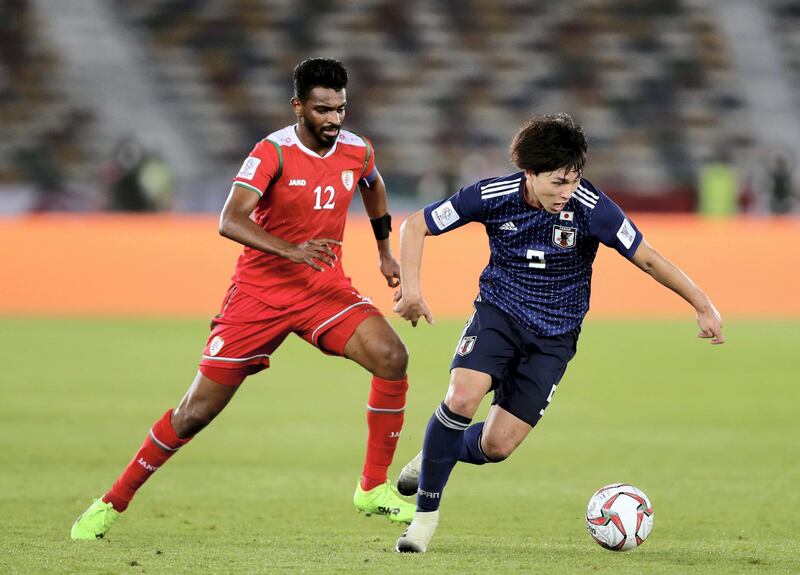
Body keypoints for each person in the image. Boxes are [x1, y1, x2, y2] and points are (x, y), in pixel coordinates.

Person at [71, 58, 415, 540]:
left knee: (392, 356)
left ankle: (373, 488)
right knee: (195, 413)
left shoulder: (357, 150)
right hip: (259, 296)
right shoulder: (271, 152)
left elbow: (373, 185)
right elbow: (229, 219)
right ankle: (112, 501)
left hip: (323, 288)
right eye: (322, 110)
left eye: (340, 108)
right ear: (298, 106)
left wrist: (384, 251)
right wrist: (291, 249)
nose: (334, 120)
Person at [391, 113, 725, 553]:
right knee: (462, 396)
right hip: (500, 314)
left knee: (497, 445)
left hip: (554, 338)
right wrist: (411, 290)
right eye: (556, 183)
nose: (566, 192)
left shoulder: (593, 209)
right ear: (528, 173)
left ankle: (438, 450)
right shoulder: (491, 195)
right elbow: (416, 224)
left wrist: (702, 302)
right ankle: (423, 521)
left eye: (573, 180)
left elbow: (648, 257)